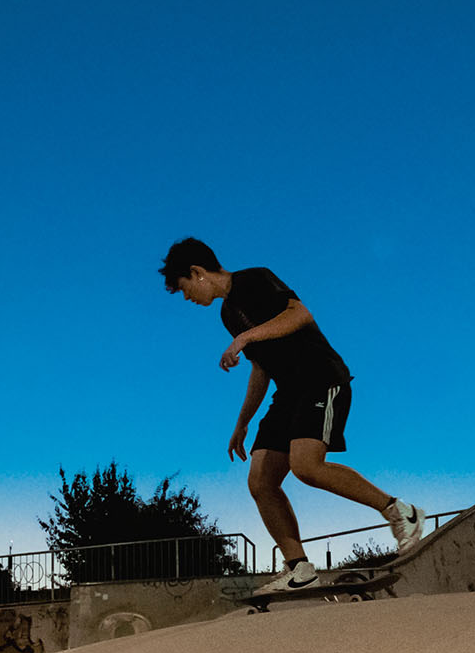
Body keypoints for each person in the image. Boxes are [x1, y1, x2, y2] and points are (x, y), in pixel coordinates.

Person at [158, 237, 426, 593]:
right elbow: (260, 370)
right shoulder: (227, 315)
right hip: (288, 394)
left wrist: (244, 338)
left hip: (321, 378)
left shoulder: (254, 279)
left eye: (184, 288)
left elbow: (300, 314)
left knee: (306, 466)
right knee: (260, 481)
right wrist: (242, 423)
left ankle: (399, 511)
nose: (187, 298)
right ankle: (300, 569)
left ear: (197, 272)